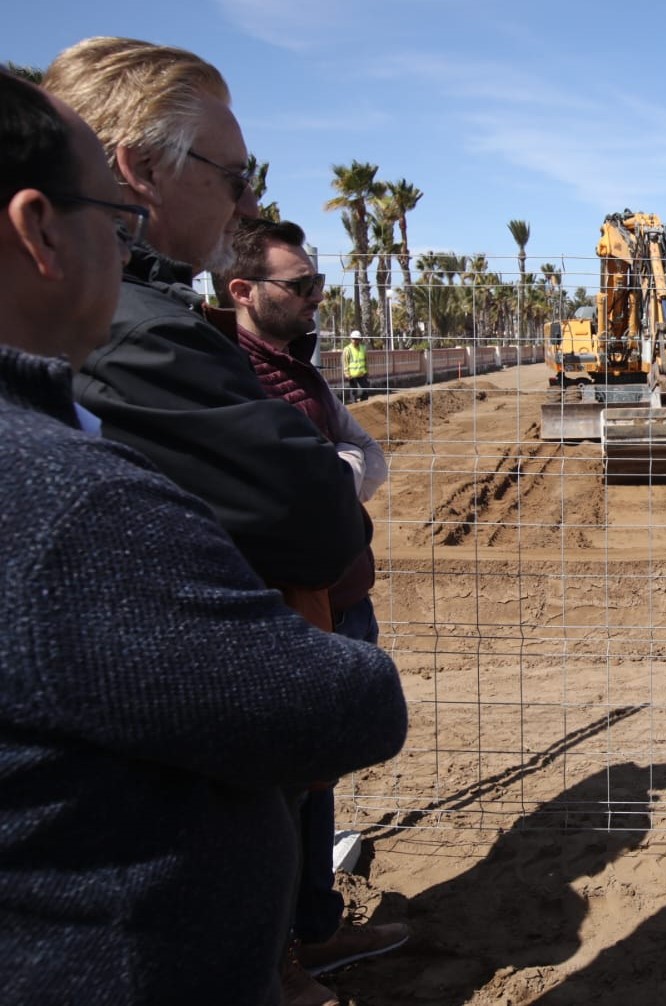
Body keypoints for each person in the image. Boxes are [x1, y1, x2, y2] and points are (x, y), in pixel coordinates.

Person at [0, 70, 408, 1006]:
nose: (250, 198)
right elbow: (340, 703)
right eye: (111, 217)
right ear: (40, 231)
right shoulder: (66, 497)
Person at [42, 37, 367, 626]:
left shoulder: (98, 314)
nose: (248, 204)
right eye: (234, 177)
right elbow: (321, 526)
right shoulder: (139, 337)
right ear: (142, 170)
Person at [218, 217, 406, 976]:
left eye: (318, 283)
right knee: (279, 789)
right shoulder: (232, 375)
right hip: (289, 606)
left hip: (338, 595)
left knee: (318, 772)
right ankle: (280, 958)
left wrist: (331, 475)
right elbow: (286, 491)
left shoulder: (303, 370)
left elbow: (369, 458)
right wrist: (333, 478)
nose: (316, 298)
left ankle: (316, 926)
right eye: (300, 287)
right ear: (242, 290)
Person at [342, 330, 370, 401]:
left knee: (366, 389)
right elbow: (345, 362)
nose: (355, 340)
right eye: (353, 339)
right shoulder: (347, 349)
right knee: (354, 391)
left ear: (360, 339)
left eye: (357, 339)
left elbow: (366, 361)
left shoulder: (363, 348)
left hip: (362, 373)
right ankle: (354, 404)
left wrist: (367, 371)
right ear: (351, 339)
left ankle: (364, 403)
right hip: (352, 375)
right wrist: (346, 373)